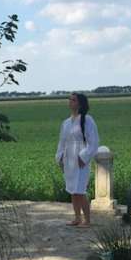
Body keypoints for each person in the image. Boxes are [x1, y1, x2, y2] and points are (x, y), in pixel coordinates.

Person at [55, 92, 99, 227]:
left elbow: (94, 142)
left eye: (73, 100)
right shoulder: (66, 123)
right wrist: (60, 157)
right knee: (72, 189)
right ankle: (77, 218)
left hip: (80, 159)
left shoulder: (87, 120)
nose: (70, 101)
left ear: (80, 104)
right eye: (69, 99)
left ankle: (87, 220)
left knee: (80, 189)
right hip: (69, 159)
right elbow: (62, 142)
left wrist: (84, 156)